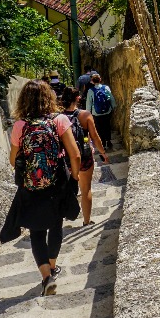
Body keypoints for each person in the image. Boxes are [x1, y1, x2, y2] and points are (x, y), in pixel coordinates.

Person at [7, 80, 81, 296]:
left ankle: (46, 277)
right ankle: (53, 266)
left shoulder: (20, 126)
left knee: (36, 232)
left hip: (31, 186)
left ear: (23, 100)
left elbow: (13, 160)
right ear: (49, 97)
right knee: (56, 225)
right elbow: (75, 155)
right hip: (57, 182)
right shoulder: (59, 120)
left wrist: (33, 170)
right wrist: (74, 178)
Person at [60, 86, 108, 226]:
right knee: (85, 189)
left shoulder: (58, 117)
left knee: (66, 189)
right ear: (78, 98)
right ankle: (86, 221)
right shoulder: (85, 115)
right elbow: (95, 137)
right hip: (84, 157)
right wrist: (103, 153)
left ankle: (64, 218)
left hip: (66, 159)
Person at [86, 73, 117, 150]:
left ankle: (102, 143)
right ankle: (108, 141)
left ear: (92, 81)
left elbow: (89, 103)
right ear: (100, 80)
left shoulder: (90, 91)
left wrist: (88, 113)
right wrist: (113, 106)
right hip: (107, 111)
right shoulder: (106, 87)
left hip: (96, 113)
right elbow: (111, 97)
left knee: (99, 128)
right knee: (107, 126)